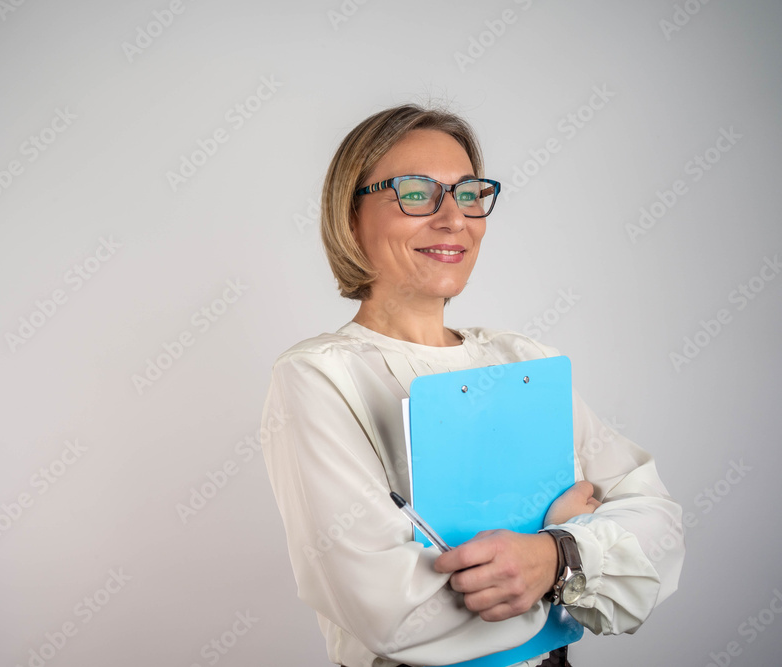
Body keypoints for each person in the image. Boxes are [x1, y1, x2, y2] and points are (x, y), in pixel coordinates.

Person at [258, 104, 685, 667]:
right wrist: (569, 563)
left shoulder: (526, 359)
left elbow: (659, 526)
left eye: (467, 193)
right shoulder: (319, 377)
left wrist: (554, 557)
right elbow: (392, 611)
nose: (453, 218)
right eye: (416, 193)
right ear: (350, 216)